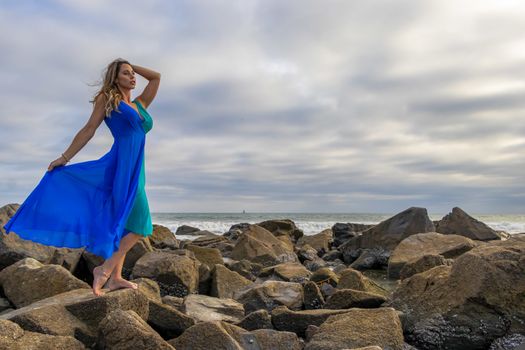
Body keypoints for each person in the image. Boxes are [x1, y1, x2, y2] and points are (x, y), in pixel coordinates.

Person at [2, 58, 161, 296]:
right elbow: (88, 130)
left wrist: (129, 64)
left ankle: (116, 278)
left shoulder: (140, 104)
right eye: (126, 74)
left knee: (124, 222)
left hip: (138, 167)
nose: (132, 77)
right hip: (121, 167)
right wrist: (64, 158)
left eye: (132, 74)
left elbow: (156, 77)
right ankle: (104, 270)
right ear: (114, 78)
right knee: (141, 225)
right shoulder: (108, 99)